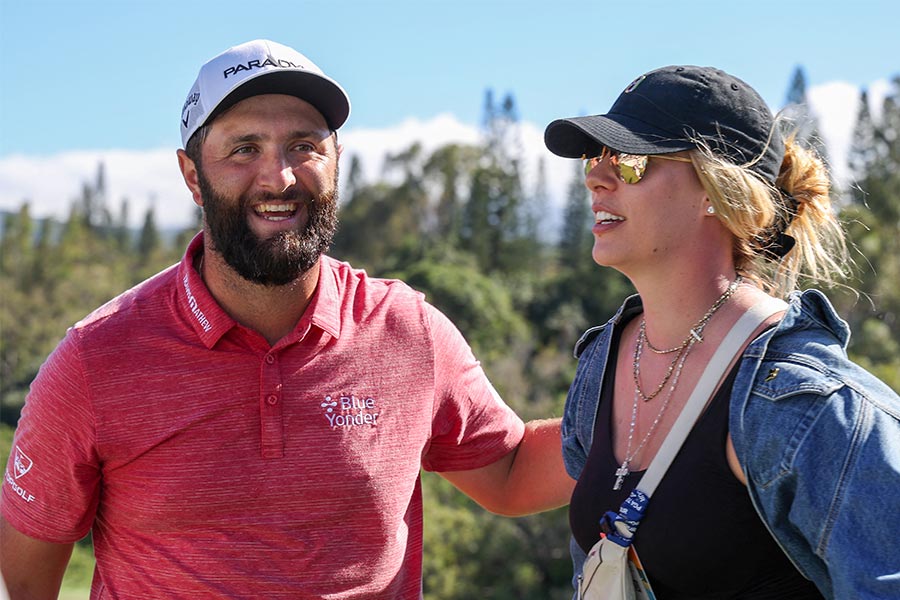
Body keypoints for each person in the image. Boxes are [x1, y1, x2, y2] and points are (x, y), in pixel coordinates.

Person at [0, 39, 575, 599]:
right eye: (244, 148)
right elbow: (24, 583)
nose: (279, 178)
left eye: (304, 145)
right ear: (193, 175)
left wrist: (656, 404)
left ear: (336, 161)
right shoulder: (96, 359)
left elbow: (511, 472)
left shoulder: (408, 332)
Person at [543, 65, 900, 599]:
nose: (598, 176)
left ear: (717, 191)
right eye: (598, 156)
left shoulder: (806, 402)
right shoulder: (604, 361)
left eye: (633, 161)